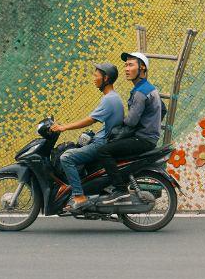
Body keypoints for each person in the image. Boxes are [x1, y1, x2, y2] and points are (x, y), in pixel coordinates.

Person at [51, 62, 125, 213]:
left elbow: (90, 119)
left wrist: (64, 127)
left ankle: (79, 197)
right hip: (104, 140)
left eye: (96, 75)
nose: (94, 78)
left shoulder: (109, 99)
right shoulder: (113, 97)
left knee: (66, 157)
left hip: (102, 143)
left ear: (106, 78)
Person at [94, 51, 163, 204]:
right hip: (148, 137)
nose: (126, 69)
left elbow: (131, 121)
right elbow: (162, 109)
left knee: (103, 151)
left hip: (142, 139)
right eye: (125, 65)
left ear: (142, 68)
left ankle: (119, 189)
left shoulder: (140, 92)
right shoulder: (149, 88)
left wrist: (119, 121)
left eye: (131, 65)